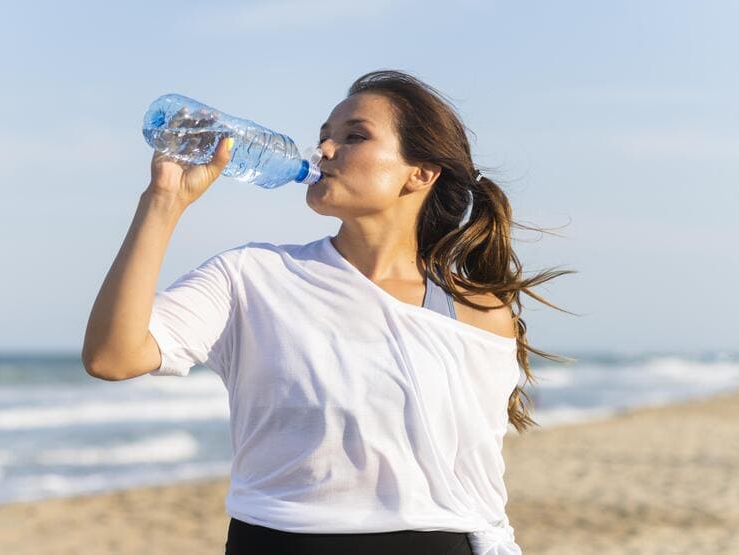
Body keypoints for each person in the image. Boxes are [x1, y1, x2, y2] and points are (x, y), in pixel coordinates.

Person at [82, 69, 575, 555]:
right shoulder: (251, 276)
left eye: (353, 137)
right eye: (323, 138)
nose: (324, 151)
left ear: (420, 173)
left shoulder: (476, 310)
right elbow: (112, 357)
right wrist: (163, 201)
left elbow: (476, 482)